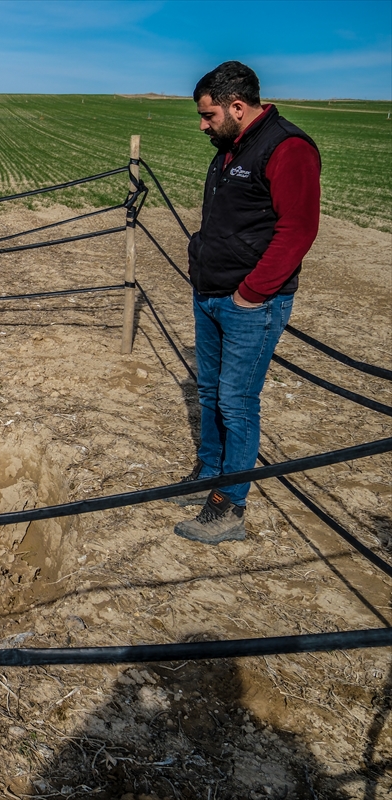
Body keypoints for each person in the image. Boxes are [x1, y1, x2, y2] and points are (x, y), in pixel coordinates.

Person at [172, 61, 321, 544]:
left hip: (250, 305)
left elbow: (298, 230)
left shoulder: (287, 147)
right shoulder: (229, 146)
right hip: (210, 294)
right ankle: (209, 474)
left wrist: (250, 295)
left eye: (208, 115)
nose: (202, 125)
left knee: (237, 403)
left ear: (238, 106)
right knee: (211, 392)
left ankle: (228, 506)